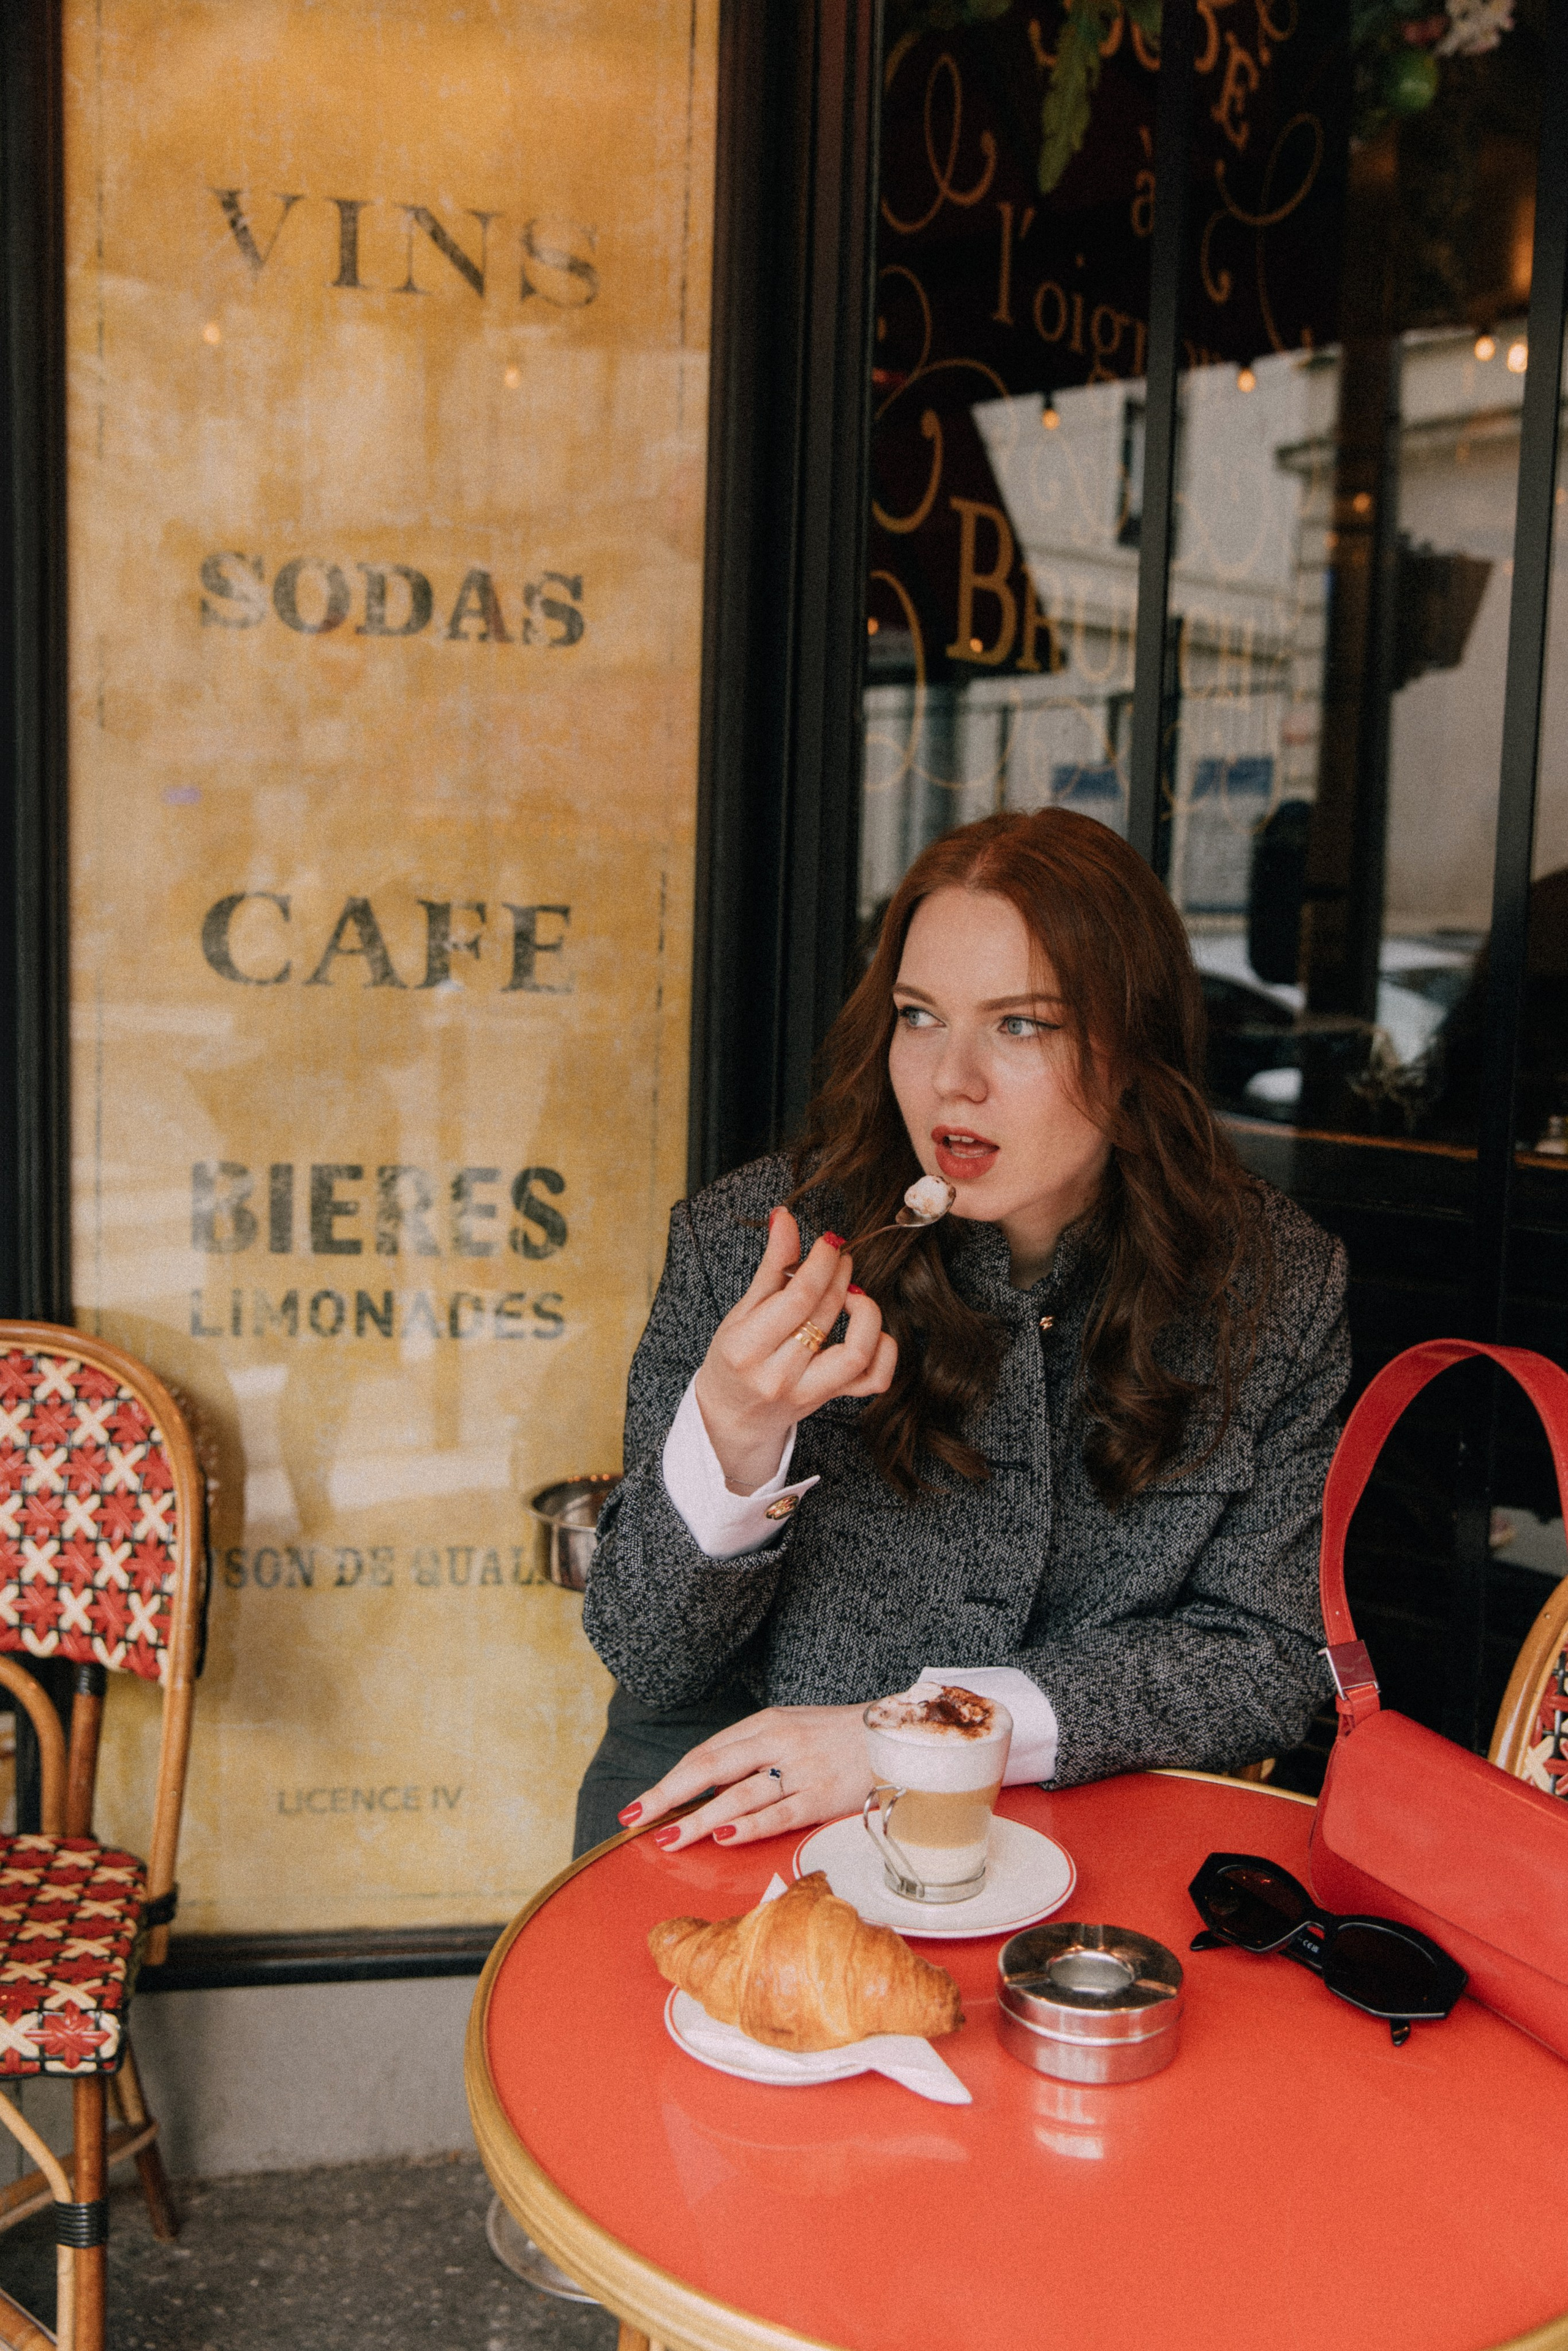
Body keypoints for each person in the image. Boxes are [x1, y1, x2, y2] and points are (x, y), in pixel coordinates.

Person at [575, 807, 1349, 1857]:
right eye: (920, 1015)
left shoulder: (1273, 1284)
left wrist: (924, 1735)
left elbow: (1268, 1658)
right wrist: (732, 1439)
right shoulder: (755, 1242)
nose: (952, 1078)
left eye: (1022, 1024)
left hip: (1094, 1829)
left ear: (1133, 1051)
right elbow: (650, 1658)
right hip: (762, 1824)